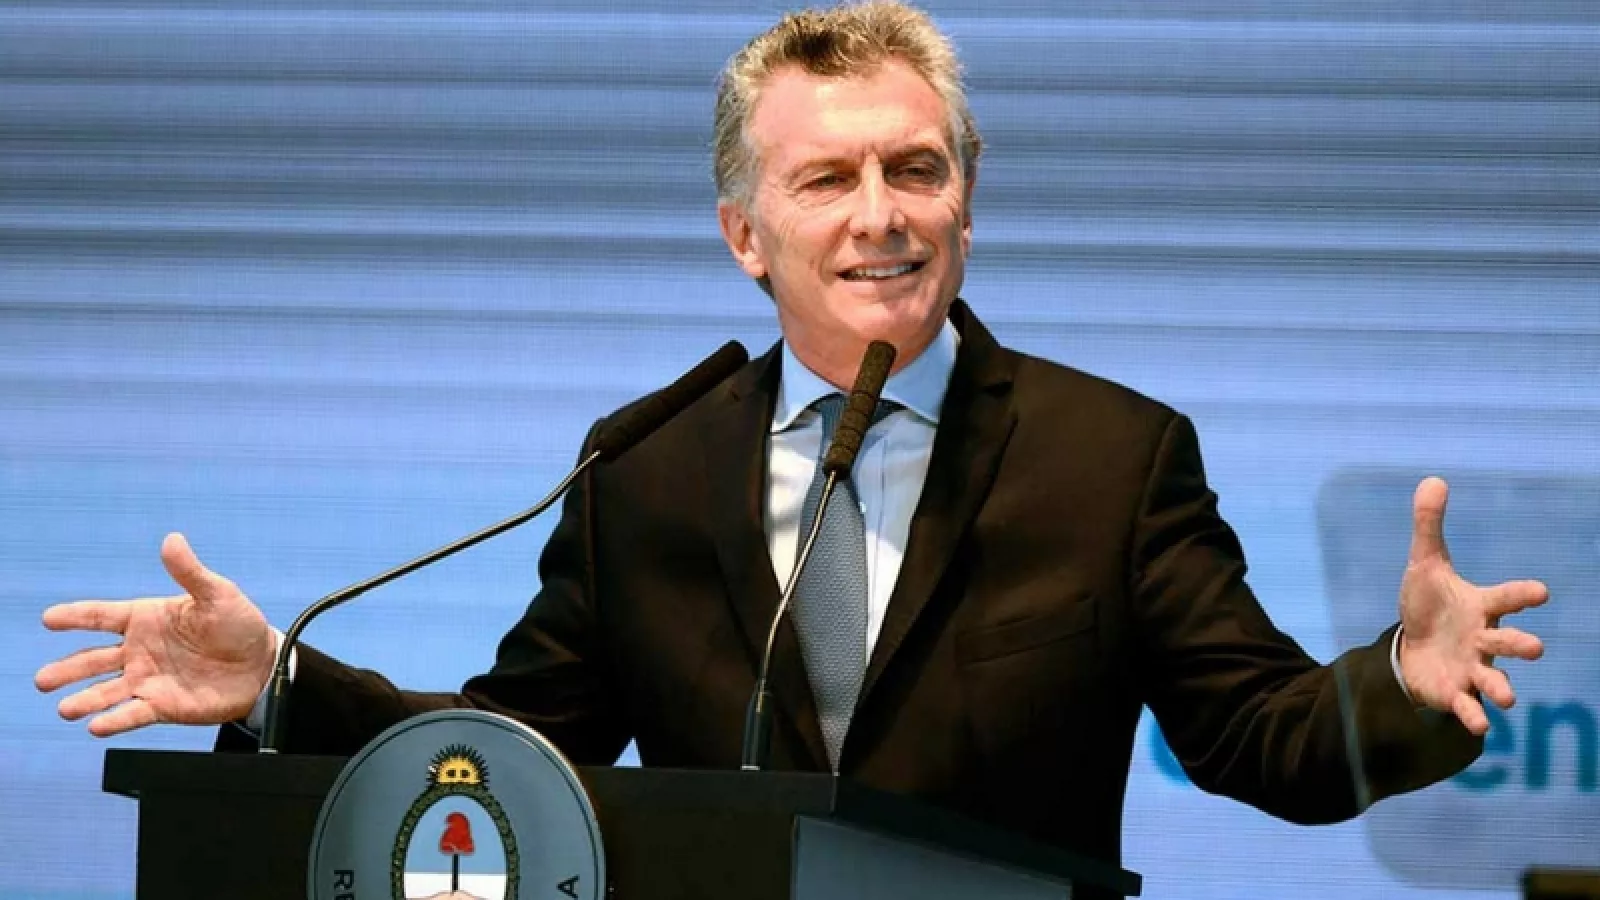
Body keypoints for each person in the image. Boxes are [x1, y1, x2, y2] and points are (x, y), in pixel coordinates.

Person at [35, 1, 1548, 892]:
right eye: (827, 180)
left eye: (916, 169)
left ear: (967, 201)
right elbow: (517, 753)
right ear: (745, 236)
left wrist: (1406, 686)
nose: (881, 215)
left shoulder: (1112, 457)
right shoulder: (646, 467)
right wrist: (280, 681)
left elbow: (1258, 735)